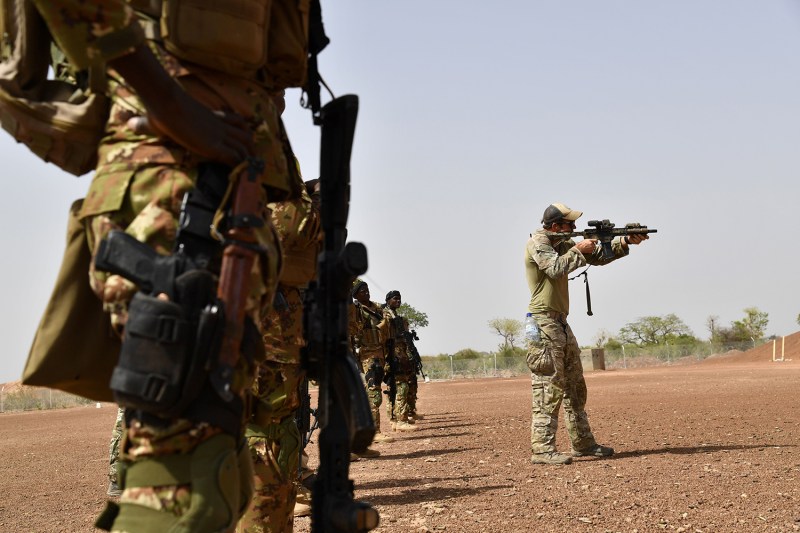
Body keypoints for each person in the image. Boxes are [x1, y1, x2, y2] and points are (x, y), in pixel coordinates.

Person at [29, 2, 303, 530]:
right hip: (172, 182)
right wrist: (170, 105)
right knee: (186, 484)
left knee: (219, 467)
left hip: (228, 190)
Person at [525, 203, 648, 465]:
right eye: (569, 225)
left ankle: (582, 443)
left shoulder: (563, 243)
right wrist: (579, 249)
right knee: (549, 386)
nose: (574, 229)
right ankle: (542, 450)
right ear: (555, 226)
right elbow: (555, 268)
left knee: (574, 386)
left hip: (559, 323)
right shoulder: (538, 242)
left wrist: (625, 241)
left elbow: (599, 257)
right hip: (542, 322)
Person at [237, 166, 322, 531]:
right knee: (262, 433)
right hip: (256, 327)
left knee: (280, 428)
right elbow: (291, 228)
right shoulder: (248, 141)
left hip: (280, 330)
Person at [350, 281, 395, 445]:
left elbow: (388, 326)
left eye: (367, 290)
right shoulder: (355, 310)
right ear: (355, 295)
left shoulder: (378, 308)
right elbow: (355, 330)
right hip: (367, 354)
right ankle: (374, 431)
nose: (366, 293)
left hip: (380, 352)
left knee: (371, 389)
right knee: (374, 390)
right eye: (362, 291)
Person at [383, 291, 418, 432]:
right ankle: (400, 420)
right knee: (400, 386)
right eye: (395, 298)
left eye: (399, 299)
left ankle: (395, 419)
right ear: (388, 300)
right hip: (392, 355)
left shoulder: (394, 315)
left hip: (398, 354)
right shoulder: (386, 314)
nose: (398, 301)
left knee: (396, 388)